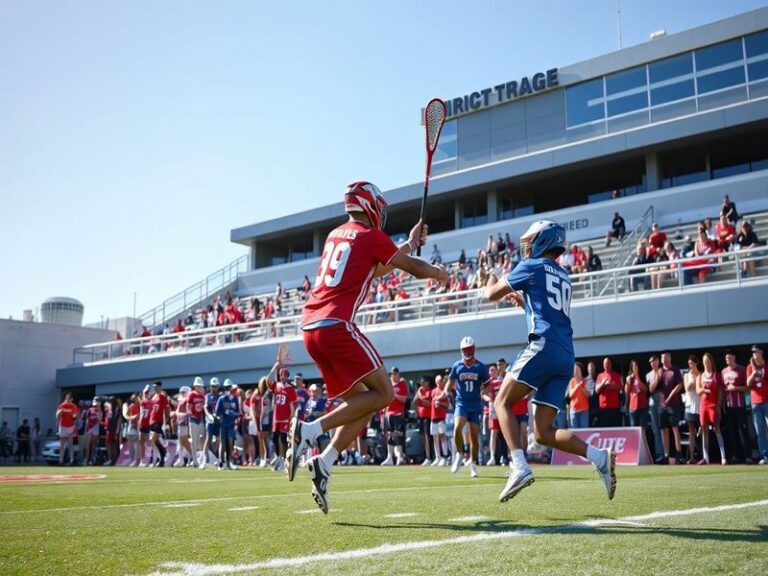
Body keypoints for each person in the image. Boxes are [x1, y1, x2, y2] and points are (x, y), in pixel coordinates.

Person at [284, 181, 446, 512]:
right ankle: (309, 430)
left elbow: (376, 265)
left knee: (363, 403)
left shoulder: (336, 235)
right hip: (337, 325)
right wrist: (439, 273)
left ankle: (324, 462)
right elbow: (410, 269)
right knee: (385, 393)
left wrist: (411, 243)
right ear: (369, 204)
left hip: (311, 329)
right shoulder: (370, 236)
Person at [482, 219, 616, 503]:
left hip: (543, 345)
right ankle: (599, 457)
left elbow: (489, 295)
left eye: (530, 241)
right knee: (542, 432)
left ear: (541, 240)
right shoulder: (563, 273)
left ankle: (519, 466)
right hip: (565, 353)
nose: (526, 247)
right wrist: (524, 302)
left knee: (501, 402)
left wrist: (490, 278)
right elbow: (546, 305)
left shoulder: (531, 266)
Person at [445, 337, 491, 478]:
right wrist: (447, 392)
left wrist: (483, 392)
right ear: (461, 351)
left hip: (476, 405)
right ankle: (459, 455)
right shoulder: (457, 366)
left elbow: (488, 385)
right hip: (462, 403)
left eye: (470, 349)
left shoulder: (480, 366)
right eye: (466, 350)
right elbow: (449, 383)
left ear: (474, 349)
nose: (468, 352)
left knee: (474, 437)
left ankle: (474, 465)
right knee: (457, 427)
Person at [651, 352, 684, 464]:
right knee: (664, 429)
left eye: (666, 357)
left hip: (673, 404)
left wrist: (670, 397)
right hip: (662, 405)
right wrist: (656, 373)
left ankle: (679, 455)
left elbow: (680, 384)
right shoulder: (659, 371)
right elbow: (652, 388)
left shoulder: (675, 370)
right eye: (662, 357)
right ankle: (666, 455)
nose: (664, 359)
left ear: (670, 358)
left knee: (675, 428)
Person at [696, 353, 727, 465]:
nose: (706, 363)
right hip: (703, 405)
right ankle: (706, 457)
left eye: (708, 361)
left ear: (711, 362)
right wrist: (704, 390)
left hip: (713, 405)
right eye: (704, 361)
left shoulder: (716, 375)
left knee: (717, 429)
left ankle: (723, 456)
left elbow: (720, 391)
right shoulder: (700, 376)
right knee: (704, 430)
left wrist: (718, 406)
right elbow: (698, 390)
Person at [721, 350, 751, 464]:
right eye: (726, 358)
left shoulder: (741, 369)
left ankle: (748, 456)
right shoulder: (724, 371)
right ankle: (735, 456)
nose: (727, 359)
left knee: (743, 429)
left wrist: (736, 388)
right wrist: (722, 403)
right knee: (732, 432)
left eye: (729, 357)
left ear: (734, 357)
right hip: (728, 407)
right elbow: (723, 389)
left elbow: (747, 387)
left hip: (740, 405)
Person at [269, 367, 297, 472]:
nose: (283, 377)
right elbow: (268, 380)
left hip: (285, 417)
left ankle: (285, 461)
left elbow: (292, 405)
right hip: (276, 417)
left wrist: (292, 417)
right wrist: (274, 368)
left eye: (285, 375)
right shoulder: (276, 386)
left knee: (283, 439)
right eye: (281, 375)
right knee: (274, 438)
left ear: (287, 376)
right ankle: (278, 457)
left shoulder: (290, 388)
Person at [381, 367, 408, 466]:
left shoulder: (402, 384)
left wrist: (394, 394)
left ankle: (400, 456)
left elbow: (404, 399)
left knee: (398, 435)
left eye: (395, 374)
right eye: (392, 374)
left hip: (398, 413)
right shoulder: (388, 385)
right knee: (389, 435)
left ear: (398, 374)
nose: (393, 375)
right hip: (388, 413)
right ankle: (389, 457)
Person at [746, 344, 767, 464]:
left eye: (756, 352)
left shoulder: (766, 365)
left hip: (767, 400)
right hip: (756, 402)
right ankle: (765, 456)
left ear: (761, 352)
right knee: (760, 431)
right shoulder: (749, 367)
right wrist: (753, 373)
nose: (754, 354)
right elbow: (748, 384)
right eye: (753, 352)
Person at [216, 380, 240, 470]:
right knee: (223, 443)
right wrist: (222, 413)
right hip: (223, 424)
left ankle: (230, 462)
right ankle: (221, 462)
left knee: (230, 442)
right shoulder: (221, 399)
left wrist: (232, 412)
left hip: (231, 424)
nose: (228, 389)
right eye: (226, 387)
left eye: (229, 387)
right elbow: (217, 412)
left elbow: (238, 412)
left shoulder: (234, 399)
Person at [646, 356, 665, 463]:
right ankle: (659, 453)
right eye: (651, 362)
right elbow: (651, 388)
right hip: (653, 404)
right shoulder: (649, 374)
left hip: (663, 403)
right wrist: (657, 375)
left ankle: (666, 453)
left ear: (658, 361)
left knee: (664, 428)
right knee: (656, 430)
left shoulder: (664, 371)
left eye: (654, 361)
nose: (652, 363)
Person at [683, 356, 702, 464]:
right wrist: (695, 380)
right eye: (689, 363)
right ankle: (691, 457)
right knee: (691, 432)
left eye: (692, 363)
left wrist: (697, 379)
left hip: (700, 406)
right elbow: (687, 388)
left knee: (702, 431)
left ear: (696, 363)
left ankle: (704, 455)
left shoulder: (701, 374)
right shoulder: (687, 375)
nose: (690, 365)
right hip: (690, 406)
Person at [595, 357, 622, 427]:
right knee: (604, 428)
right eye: (605, 363)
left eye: (608, 363)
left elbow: (620, 388)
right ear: (603, 365)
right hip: (603, 408)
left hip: (615, 407)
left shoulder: (616, 375)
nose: (606, 365)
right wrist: (603, 384)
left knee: (615, 428)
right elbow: (597, 390)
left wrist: (608, 386)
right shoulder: (600, 376)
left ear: (611, 364)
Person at [430, 374, 450, 466]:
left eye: (441, 380)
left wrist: (440, 403)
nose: (440, 382)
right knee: (435, 437)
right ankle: (438, 457)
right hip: (433, 417)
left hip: (442, 417)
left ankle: (445, 457)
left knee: (442, 436)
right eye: (438, 381)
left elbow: (448, 405)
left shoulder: (445, 392)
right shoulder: (433, 391)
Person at [148, 382, 169, 467]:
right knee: (155, 441)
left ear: (160, 387)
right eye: (154, 387)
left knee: (152, 439)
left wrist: (166, 420)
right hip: (152, 421)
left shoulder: (163, 397)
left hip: (158, 421)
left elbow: (167, 409)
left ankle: (157, 457)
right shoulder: (153, 397)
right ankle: (163, 454)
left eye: (156, 387)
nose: (155, 389)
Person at [202, 377, 222, 469]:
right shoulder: (208, 396)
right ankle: (204, 459)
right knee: (208, 438)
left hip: (218, 420)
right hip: (210, 420)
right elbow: (205, 407)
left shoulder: (220, 397)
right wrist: (208, 415)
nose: (214, 388)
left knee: (218, 439)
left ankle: (216, 457)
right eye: (212, 386)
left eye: (215, 386)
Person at [414, 375, 433, 466]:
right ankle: (427, 456)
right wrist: (418, 393)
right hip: (421, 417)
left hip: (428, 417)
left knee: (428, 437)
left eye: (424, 382)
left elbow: (430, 404)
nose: (422, 384)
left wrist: (421, 397)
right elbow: (414, 401)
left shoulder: (430, 392)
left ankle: (430, 457)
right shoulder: (420, 391)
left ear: (428, 382)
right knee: (423, 438)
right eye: (421, 382)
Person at [188, 377, 206, 468]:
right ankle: (195, 460)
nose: (199, 388)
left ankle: (202, 458)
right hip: (193, 419)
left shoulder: (202, 395)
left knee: (203, 437)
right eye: (198, 386)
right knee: (194, 440)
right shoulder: (192, 395)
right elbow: (188, 407)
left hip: (201, 419)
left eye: (200, 386)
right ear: (195, 386)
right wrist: (192, 415)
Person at [56, 393, 79, 465]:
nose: (67, 400)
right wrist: (59, 413)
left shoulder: (74, 406)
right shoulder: (62, 405)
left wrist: (75, 419)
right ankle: (61, 460)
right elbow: (57, 416)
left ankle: (72, 460)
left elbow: (76, 417)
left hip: (70, 426)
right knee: (61, 444)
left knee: (70, 444)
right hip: (62, 426)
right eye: (66, 398)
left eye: (69, 399)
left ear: (71, 399)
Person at [625, 360, 649, 430]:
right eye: (633, 366)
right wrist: (628, 382)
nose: (635, 367)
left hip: (643, 406)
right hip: (633, 407)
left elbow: (645, 390)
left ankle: (643, 441)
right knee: (634, 428)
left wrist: (637, 377)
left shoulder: (643, 376)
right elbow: (627, 392)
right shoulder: (629, 378)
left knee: (643, 428)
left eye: (636, 366)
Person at [565, 363, 589, 429]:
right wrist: (577, 386)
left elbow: (588, 394)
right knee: (575, 432)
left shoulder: (585, 380)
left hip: (583, 410)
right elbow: (570, 395)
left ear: (580, 370)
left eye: (577, 369)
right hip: (574, 411)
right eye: (574, 370)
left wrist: (581, 386)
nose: (575, 371)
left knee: (584, 432)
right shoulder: (572, 381)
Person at [174, 386, 192, 467]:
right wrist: (179, 414)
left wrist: (180, 414)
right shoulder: (181, 400)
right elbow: (177, 411)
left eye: (183, 392)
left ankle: (192, 456)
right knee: (180, 442)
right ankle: (181, 459)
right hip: (180, 422)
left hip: (185, 423)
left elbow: (188, 413)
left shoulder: (187, 400)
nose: (182, 394)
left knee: (184, 440)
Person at [82, 397, 102, 465]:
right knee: (87, 445)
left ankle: (92, 459)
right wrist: (85, 430)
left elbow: (99, 421)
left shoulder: (100, 411)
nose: (95, 406)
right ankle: (86, 459)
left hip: (96, 428)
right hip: (89, 428)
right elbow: (87, 420)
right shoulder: (90, 410)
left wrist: (99, 411)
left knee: (94, 445)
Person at [122, 394, 140, 466]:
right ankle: (131, 459)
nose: (133, 400)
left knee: (136, 445)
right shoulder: (131, 406)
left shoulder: (140, 406)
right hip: (131, 427)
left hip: (137, 427)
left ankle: (136, 460)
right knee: (131, 445)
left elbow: (138, 417)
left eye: (134, 398)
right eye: (132, 399)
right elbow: (127, 415)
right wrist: (132, 418)